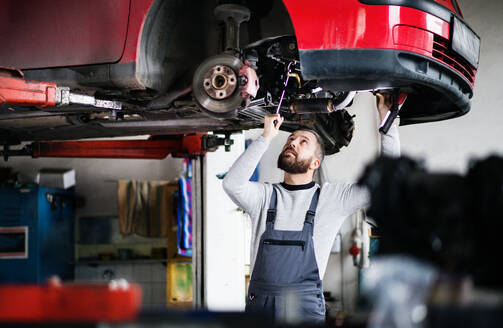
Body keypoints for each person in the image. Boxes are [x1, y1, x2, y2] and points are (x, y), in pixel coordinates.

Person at [222, 94, 400, 324]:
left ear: (315, 163)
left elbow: (386, 182)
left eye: (302, 142)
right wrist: (265, 138)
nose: (292, 143)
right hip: (261, 309)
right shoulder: (264, 196)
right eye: (290, 140)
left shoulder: (333, 198)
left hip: (305, 311)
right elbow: (231, 184)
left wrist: (388, 124)